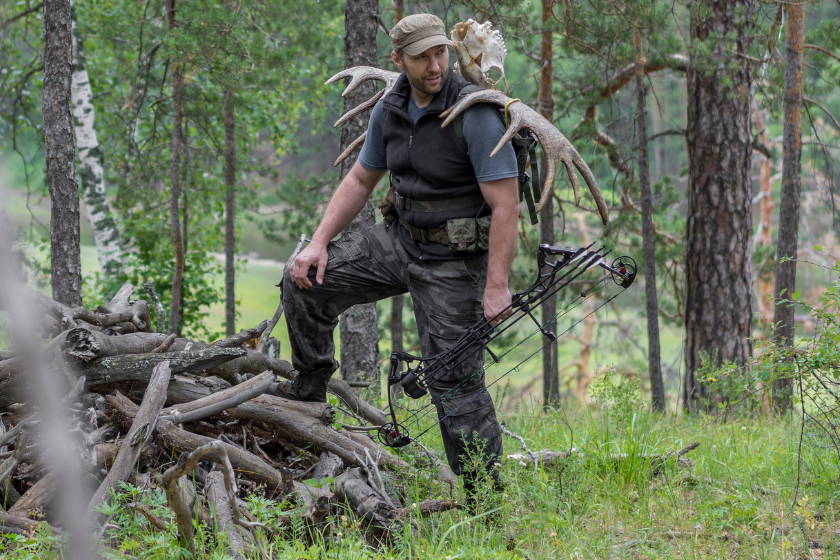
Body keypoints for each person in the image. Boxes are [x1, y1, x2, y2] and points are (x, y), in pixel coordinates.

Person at [274, 13, 519, 502]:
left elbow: (505, 204)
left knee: (452, 376)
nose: (435, 65)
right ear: (398, 60)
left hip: (455, 259)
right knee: (302, 281)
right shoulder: (392, 106)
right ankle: (310, 390)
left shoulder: (475, 112)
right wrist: (318, 242)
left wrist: (495, 286)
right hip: (401, 240)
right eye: (422, 57)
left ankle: (484, 499)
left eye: (440, 53)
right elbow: (361, 180)